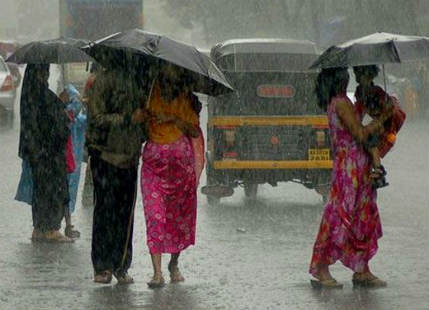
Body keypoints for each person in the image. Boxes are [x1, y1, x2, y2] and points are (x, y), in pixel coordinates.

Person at [309, 67, 392, 288]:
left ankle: (361, 268)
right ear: (339, 78)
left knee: (362, 216)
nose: (349, 75)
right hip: (349, 169)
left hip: (358, 166)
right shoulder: (341, 103)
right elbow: (360, 133)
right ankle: (321, 266)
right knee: (340, 215)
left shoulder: (342, 101)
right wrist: (383, 118)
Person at [138, 66, 204, 288]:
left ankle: (174, 263)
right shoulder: (147, 95)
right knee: (155, 216)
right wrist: (144, 116)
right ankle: (157, 273)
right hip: (153, 167)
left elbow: (194, 131)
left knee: (179, 219)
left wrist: (174, 119)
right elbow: (140, 126)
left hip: (181, 172)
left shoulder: (186, 100)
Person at [86, 66, 146, 284]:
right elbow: (97, 117)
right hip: (105, 156)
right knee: (104, 211)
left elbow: (144, 119)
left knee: (124, 215)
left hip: (129, 158)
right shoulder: (102, 81)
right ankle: (102, 266)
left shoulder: (139, 81)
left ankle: (121, 265)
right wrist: (129, 119)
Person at [18, 64, 72, 243]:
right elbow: (57, 126)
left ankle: (39, 227)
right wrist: (61, 104)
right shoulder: (44, 96)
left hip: (37, 153)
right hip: (49, 153)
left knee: (40, 190)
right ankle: (50, 228)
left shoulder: (29, 95)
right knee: (52, 189)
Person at [353, 65, 406, 189]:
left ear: (370, 76)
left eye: (361, 74)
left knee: (371, 145)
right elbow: (362, 109)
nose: (358, 77)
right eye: (356, 74)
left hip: (380, 125)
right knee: (367, 146)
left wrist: (378, 120)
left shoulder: (376, 91)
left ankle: (378, 170)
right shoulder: (359, 91)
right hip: (370, 123)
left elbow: (389, 108)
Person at [62, 84, 87, 238]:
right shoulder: (67, 117)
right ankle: (66, 223)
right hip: (68, 162)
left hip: (72, 163)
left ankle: (67, 223)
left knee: (68, 192)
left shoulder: (76, 120)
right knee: (66, 192)